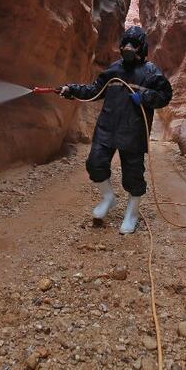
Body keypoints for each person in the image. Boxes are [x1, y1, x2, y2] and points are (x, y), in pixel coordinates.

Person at [60, 26, 172, 234]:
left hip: (134, 130)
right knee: (95, 163)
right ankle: (108, 198)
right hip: (107, 127)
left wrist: (145, 97)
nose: (128, 48)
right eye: (126, 43)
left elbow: (165, 95)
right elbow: (94, 90)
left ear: (142, 47)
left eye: (133, 44)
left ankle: (132, 212)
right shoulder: (113, 70)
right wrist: (71, 90)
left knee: (133, 175)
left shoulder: (151, 73)